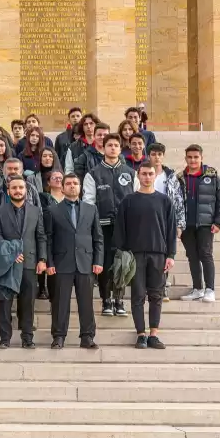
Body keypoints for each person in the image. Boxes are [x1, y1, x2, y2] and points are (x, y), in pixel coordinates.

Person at [114, 163, 177, 349]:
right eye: (144, 174)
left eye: (150, 174)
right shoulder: (128, 201)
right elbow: (120, 229)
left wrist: (171, 254)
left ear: (154, 176)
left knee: (156, 296)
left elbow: (171, 230)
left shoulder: (164, 201)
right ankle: (141, 334)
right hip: (135, 255)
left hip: (158, 254)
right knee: (137, 295)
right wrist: (123, 253)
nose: (147, 177)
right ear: (138, 176)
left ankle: (153, 334)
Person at [82, 134, 139, 316]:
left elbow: (137, 198)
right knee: (105, 263)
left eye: (116, 145)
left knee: (122, 262)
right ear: (103, 149)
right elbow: (89, 202)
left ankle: (119, 300)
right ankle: (106, 300)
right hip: (102, 226)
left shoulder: (130, 173)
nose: (113, 148)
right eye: (109, 145)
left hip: (125, 227)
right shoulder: (93, 173)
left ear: (120, 149)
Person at [46, 173, 103, 349]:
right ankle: (59, 336)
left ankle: (87, 336)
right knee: (60, 302)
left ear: (80, 187)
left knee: (86, 302)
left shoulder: (91, 209)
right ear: (62, 188)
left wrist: (98, 261)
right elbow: (48, 239)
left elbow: (98, 238)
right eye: (68, 183)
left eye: (75, 183)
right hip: (62, 263)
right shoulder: (52, 210)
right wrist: (50, 262)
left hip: (86, 262)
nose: (72, 186)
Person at [0, 175, 47, 349]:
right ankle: (5, 338)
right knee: (4, 302)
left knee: (28, 302)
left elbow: (40, 236)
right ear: (8, 191)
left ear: (26, 190)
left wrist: (42, 259)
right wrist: (11, 253)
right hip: (6, 264)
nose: (17, 191)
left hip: (29, 263)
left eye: (20, 188)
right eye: (14, 188)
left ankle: (27, 338)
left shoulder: (36, 211)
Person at [177, 144, 220, 303]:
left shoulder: (213, 177)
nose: (193, 160)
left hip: (206, 224)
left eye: (196, 157)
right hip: (187, 225)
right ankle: (197, 288)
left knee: (205, 255)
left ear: (201, 158)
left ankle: (210, 289)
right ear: (185, 158)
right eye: (190, 157)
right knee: (192, 256)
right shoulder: (180, 178)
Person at [146, 143, 186, 300]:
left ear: (163, 156)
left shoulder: (170, 176)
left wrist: (179, 223)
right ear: (148, 155)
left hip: (165, 220)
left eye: (159, 154)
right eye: (153, 154)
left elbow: (178, 200)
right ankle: (147, 286)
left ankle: (161, 287)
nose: (156, 157)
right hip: (145, 219)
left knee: (164, 255)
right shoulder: (142, 174)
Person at [0, 158, 41, 223]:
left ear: (21, 172)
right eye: (9, 169)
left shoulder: (31, 189)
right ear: (3, 171)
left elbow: (39, 214)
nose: (13, 171)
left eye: (16, 169)